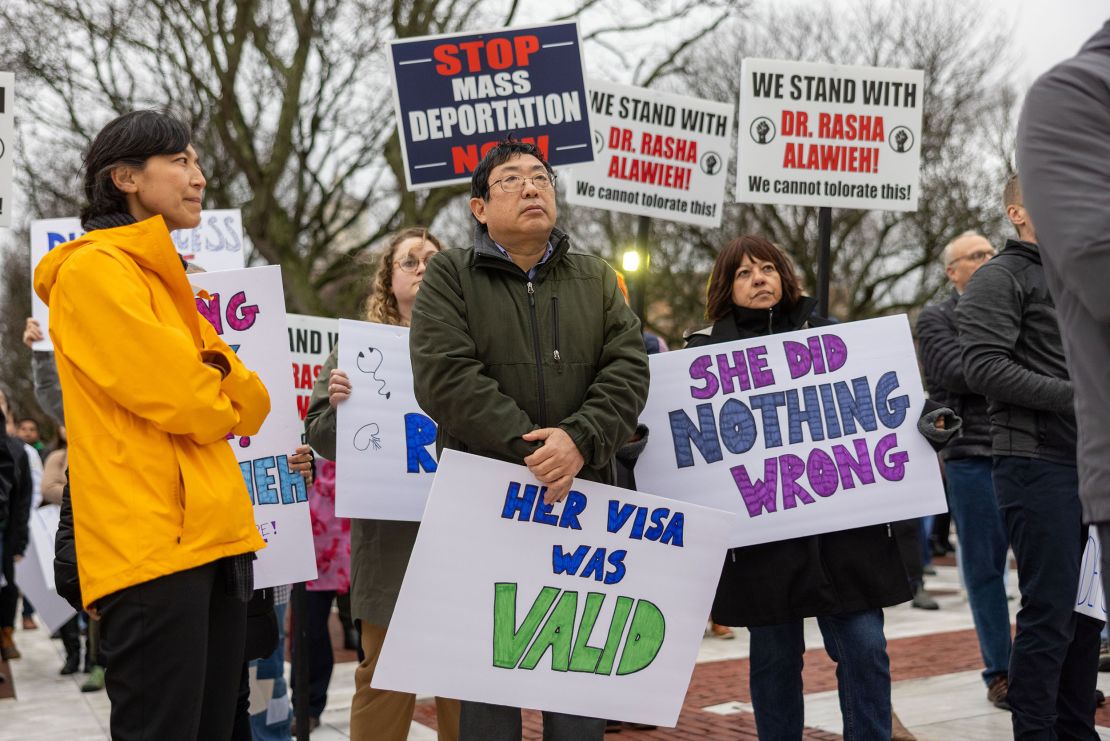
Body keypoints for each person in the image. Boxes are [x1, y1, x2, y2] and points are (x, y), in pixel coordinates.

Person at [32, 109, 271, 740]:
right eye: (181, 161)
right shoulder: (91, 270)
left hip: (214, 537)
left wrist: (215, 379)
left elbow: (255, 403)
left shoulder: (166, 281)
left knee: (218, 728)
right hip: (150, 550)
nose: (199, 177)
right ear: (126, 178)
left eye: (196, 162)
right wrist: (218, 381)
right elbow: (195, 401)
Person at [409, 137, 650, 741]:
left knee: (578, 676)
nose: (531, 187)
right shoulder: (450, 275)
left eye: (541, 177)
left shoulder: (596, 277)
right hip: (487, 503)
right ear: (479, 208)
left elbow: (628, 369)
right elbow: (444, 377)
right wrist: (537, 450)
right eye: (511, 179)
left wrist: (579, 440)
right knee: (490, 685)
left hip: (582, 500)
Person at [687, 234, 957, 741]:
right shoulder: (700, 356)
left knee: (865, 648)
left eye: (766, 268)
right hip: (763, 542)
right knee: (773, 661)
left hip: (844, 537)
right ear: (727, 287)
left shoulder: (832, 336)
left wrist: (929, 422)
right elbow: (681, 442)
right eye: (743, 273)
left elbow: (883, 400)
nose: (758, 279)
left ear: (784, 277)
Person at [957, 174, 1101, 739]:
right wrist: (1082, 396)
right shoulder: (1000, 277)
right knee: (1051, 611)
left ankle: (1076, 729)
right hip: (1036, 463)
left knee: (1087, 614)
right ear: (1018, 213)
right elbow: (984, 368)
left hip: (1092, 466)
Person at [306, 226, 460, 741]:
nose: (421, 269)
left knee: (464, 676)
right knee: (384, 676)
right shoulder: (355, 350)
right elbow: (321, 436)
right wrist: (342, 407)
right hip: (390, 540)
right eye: (409, 262)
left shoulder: (473, 341)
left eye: (432, 260)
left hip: (461, 530)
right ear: (388, 280)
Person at [1016, 21, 1110, 602]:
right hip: (1025, 454)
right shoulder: (1074, 95)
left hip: (1061, 441)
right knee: (1052, 607)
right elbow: (978, 368)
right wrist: (1058, 392)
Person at [916, 231, 1012, 709]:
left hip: (1031, 450)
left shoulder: (1021, 305)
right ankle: (1002, 671)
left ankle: (1051, 670)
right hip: (973, 456)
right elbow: (958, 373)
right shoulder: (936, 318)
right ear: (951, 271)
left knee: (1048, 569)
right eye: (975, 256)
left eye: (990, 252)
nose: (988, 259)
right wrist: (1017, 368)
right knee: (984, 569)